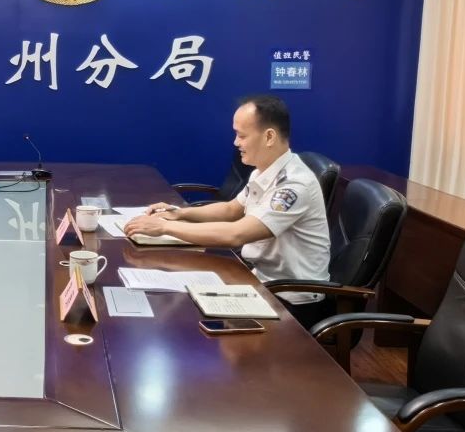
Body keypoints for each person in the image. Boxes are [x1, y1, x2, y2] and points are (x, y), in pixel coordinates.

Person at [126, 95, 330, 304]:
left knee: (189, 302)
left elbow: (236, 234)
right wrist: (179, 214)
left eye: (241, 135)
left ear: (269, 137)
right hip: (260, 280)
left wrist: (164, 227)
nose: (236, 142)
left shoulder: (294, 186)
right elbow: (232, 209)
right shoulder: (262, 172)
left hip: (291, 298)